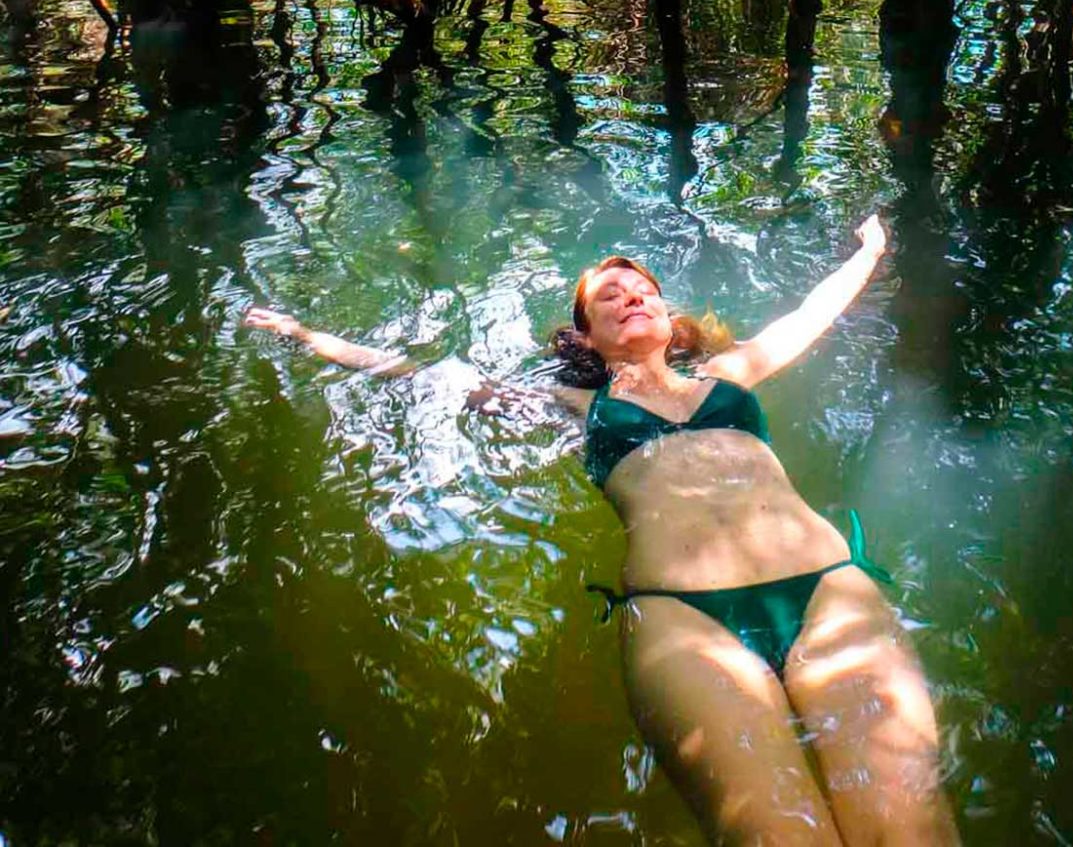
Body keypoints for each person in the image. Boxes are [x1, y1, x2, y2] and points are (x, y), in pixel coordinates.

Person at [246, 215, 959, 845]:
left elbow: (811, 314)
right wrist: (307, 336)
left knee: (909, 825)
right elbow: (423, 374)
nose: (631, 297)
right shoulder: (571, 403)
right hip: (685, 620)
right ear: (586, 334)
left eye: (642, 288)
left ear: (667, 313)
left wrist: (869, 251)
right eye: (608, 297)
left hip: (827, 590)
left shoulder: (730, 372)